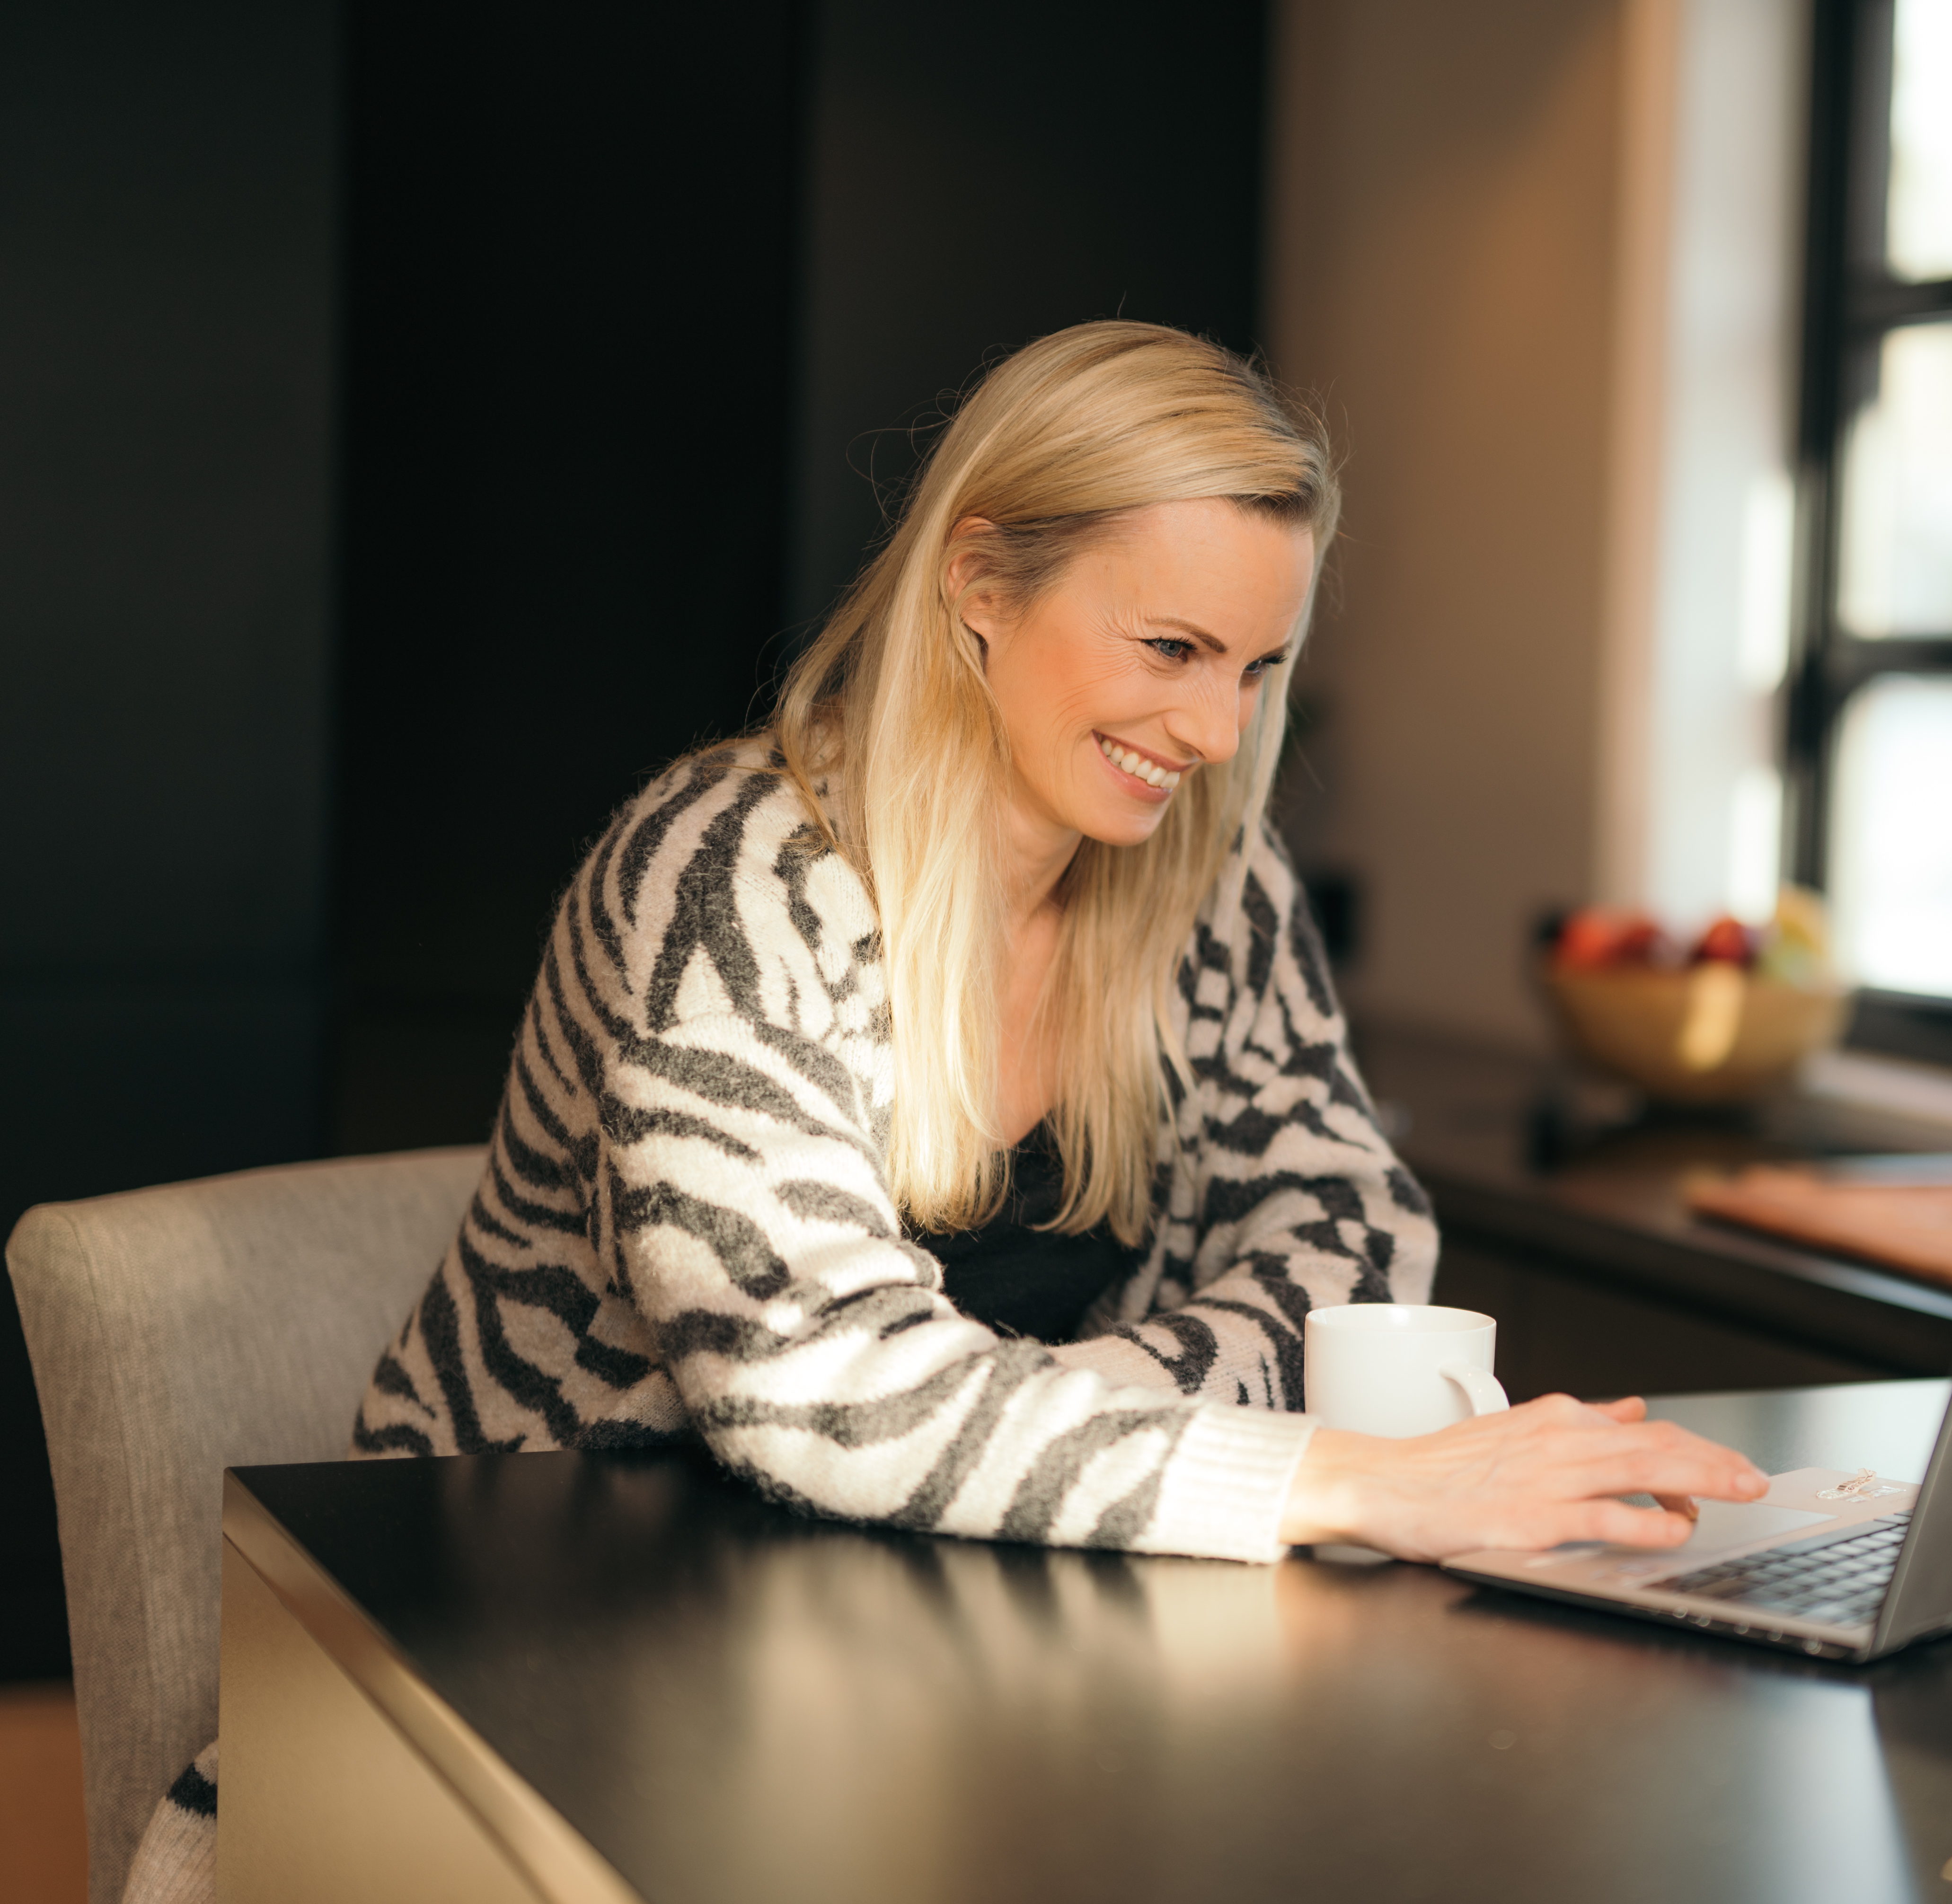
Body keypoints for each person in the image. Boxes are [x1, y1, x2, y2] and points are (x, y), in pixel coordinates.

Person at [121, 322, 1767, 1902]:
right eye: (1171, 649)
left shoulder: (1207, 879)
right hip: (515, 1651)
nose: (1213, 733)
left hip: (918, 1623)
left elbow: (1351, 1229)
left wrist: (1082, 1405)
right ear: (979, 586)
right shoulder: (733, 872)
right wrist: (1326, 1475)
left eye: (1260, 667)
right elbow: (812, 1381)